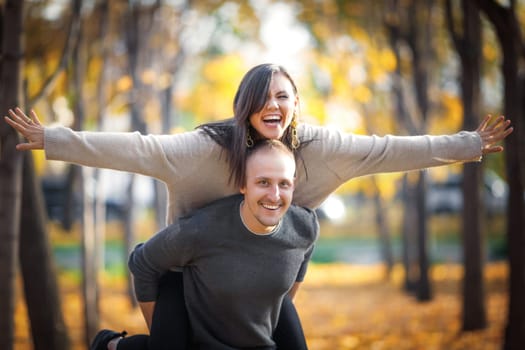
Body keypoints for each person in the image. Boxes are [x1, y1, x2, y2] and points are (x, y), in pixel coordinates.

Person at [4, 63, 513, 349]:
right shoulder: (204, 150)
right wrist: (56, 139)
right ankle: (110, 346)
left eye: (284, 97)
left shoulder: (321, 150)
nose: (274, 106)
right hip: (188, 273)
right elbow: (140, 148)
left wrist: (469, 144)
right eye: (262, 97)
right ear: (243, 105)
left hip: (260, 273)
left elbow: (390, 149)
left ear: (296, 104)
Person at [90, 139, 319, 350]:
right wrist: (159, 335)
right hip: (199, 339)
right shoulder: (201, 229)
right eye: (263, 182)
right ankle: (112, 345)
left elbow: (294, 275)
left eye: (284, 184)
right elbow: (142, 262)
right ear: (243, 184)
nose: (274, 194)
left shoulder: (305, 227)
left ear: (293, 185)